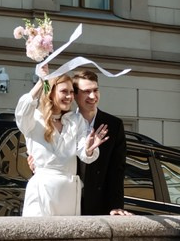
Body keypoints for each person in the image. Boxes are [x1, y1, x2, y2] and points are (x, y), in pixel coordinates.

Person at [15, 70, 107, 217]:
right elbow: (22, 111)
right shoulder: (33, 119)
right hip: (42, 191)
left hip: (68, 194)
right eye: (64, 91)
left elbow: (84, 154)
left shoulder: (76, 121)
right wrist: (41, 81)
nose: (70, 96)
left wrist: (89, 149)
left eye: (72, 92)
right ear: (51, 93)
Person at [73, 67, 130, 217]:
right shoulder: (66, 122)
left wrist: (116, 205)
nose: (92, 96)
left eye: (95, 90)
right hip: (69, 202)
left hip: (99, 206)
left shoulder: (114, 125)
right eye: (86, 91)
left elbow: (117, 169)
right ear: (75, 95)